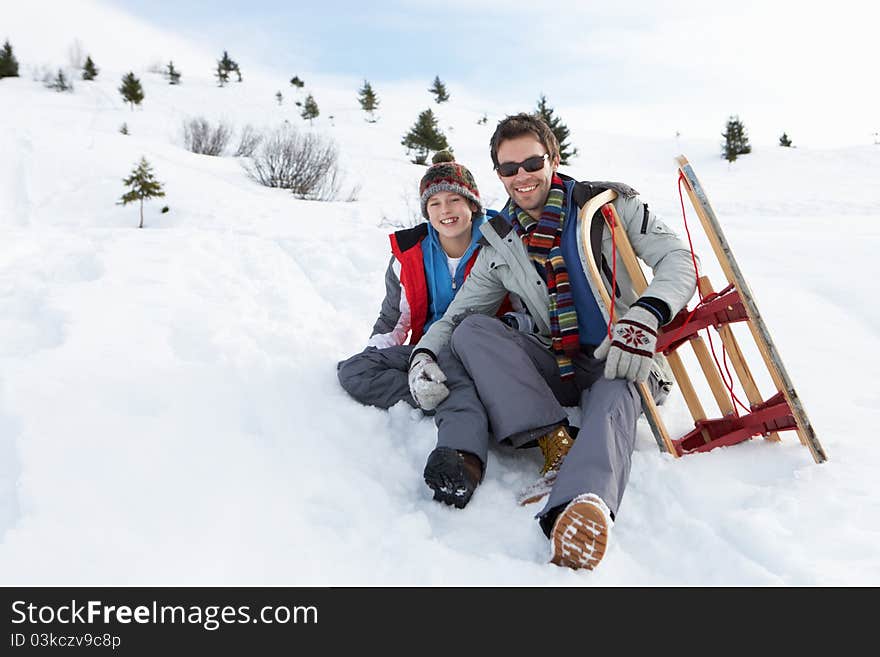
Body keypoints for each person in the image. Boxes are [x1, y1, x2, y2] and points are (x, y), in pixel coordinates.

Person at [406, 113, 697, 570]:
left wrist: (645, 316)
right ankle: (552, 442)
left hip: (623, 350)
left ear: (554, 158)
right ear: (498, 174)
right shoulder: (500, 239)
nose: (521, 176)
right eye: (508, 168)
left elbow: (678, 258)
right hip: (556, 361)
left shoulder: (605, 205)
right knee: (471, 331)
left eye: (531, 162)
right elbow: (460, 313)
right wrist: (423, 354)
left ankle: (579, 507)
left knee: (615, 389)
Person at [337, 150, 488, 412]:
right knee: (354, 370)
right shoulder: (409, 256)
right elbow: (393, 318)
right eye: (435, 203)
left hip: (481, 354)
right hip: (425, 353)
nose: (446, 211)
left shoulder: (497, 246)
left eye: (454, 199)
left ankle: (464, 398)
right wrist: (370, 354)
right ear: (426, 211)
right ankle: (430, 394)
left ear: (473, 205)